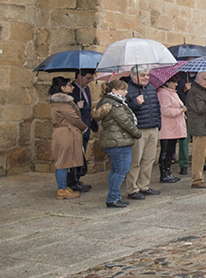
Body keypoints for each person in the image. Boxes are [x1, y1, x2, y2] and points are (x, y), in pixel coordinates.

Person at [93, 79, 141, 208]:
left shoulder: (112, 102)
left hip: (116, 140)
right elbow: (125, 122)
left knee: (116, 170)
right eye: (123, 90)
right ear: (114, 91)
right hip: (118, 141)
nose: (126, 92)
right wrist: (137, 133)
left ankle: (115, 196)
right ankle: (113, 197)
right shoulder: (115, 104)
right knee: (121, 170)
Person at [124, 67, 162, 200]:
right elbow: (125, 111)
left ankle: (144, 185)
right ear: (134, 76)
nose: (146, 77)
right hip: (138, 129)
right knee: (136, 160)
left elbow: (156, 106)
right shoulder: (128, 89)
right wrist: (136, 103)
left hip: (152, 128)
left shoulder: (151, 88)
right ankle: (132, 188)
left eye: (147, 75)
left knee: (149, 159)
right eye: (143, 75)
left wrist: (158, 124)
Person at [49, 77, 87, 199]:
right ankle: (61, 189)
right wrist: (84, 127)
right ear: (62, 88)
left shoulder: (64, 102)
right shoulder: (62, 102)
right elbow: (73, 118)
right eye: (69, 85)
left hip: (66, 132)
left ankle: (64, 187)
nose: (72, 87)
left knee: (65, 161)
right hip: (65, 133)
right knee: (63, 162)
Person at [67, 70, 96, 193]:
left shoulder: (87, 89)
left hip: (86, 126)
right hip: (77, 128)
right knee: (75, 156)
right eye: (87, 78)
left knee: (81, 155)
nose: (89, 81)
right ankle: (71, 182)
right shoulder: (71, 90)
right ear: (79, 76)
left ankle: (77, 179)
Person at [156, 77, 186, 183]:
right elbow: (165, 110)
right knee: (165, 151)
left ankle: (168, 172)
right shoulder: (163, 93)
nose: (176, 84)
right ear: (167, 83)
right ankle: (164, 173)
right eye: (174, 82)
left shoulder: (173, 93)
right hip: (167, 127)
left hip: (174, 127)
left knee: (170, 150)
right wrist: (180, 110)